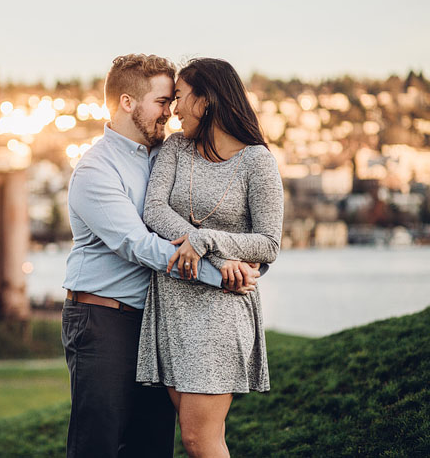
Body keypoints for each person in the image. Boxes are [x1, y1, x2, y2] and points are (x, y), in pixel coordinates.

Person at [62, 54, 260, 458]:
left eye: (173, 102)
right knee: (98, 446)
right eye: (161, 102)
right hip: (104, 320)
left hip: (155, 323)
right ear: (127, 102)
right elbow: (140, 244)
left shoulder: (165, 157)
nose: (170, 112)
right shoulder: (95, 170)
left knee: (151, 447)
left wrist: (237, 254)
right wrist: (219, 272)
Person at [136, 57, 285, 458]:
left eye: (181, 98)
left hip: (220, 311)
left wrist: (203, 241)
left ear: (207, 101)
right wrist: (219, 258)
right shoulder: (176, 148)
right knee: (192, 438)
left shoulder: (258, 162)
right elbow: (154, 211)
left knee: (200, 439)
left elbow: (269, 243)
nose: (174, 110)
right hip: (171, 306)